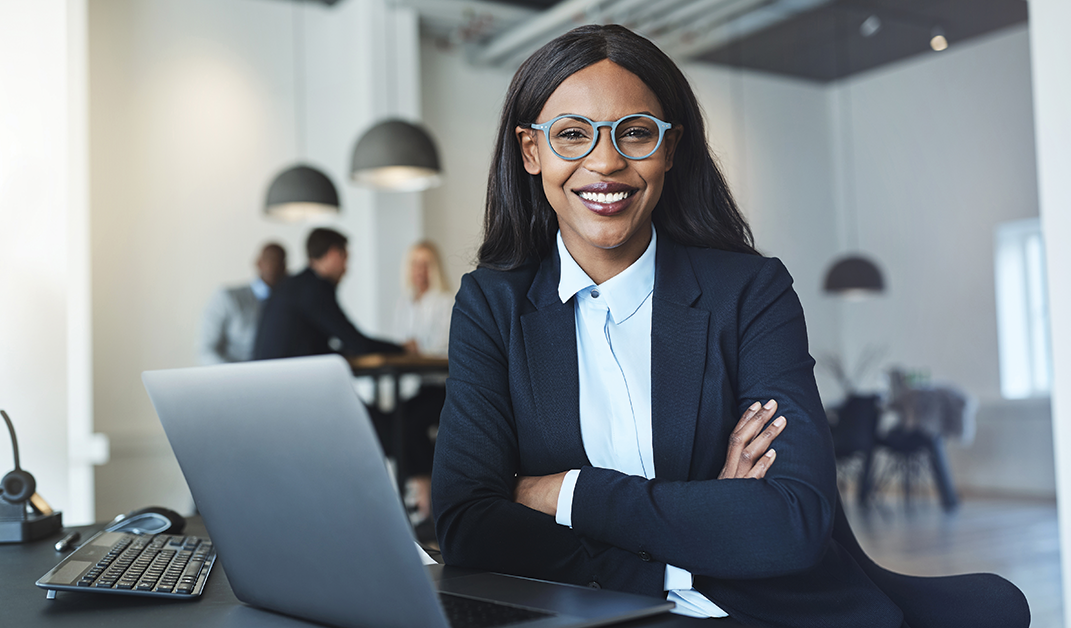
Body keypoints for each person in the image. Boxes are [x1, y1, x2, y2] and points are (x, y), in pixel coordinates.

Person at [431, 24, 1027, 628]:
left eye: (636, 133)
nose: (606, 162)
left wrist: (565, 493)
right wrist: (701, 529)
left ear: (670, 149)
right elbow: (468, 527)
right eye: (571, 135)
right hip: (597, 614)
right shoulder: (493, 306)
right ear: (531, 151)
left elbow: (789, 522)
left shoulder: (751, 293)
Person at [252, 227, 402, 360]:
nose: (346, 269)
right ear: (333, 254)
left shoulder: (293, 285)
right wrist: (403, 349)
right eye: (345, 259)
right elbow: (358, 343)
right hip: (290, 384)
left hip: (274, 380)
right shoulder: (314, 289)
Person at [392, 241, 453, 527]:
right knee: (396, 420)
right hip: (418, 385)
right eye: (415, 263)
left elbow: (446, 348)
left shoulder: (445, 301)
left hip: (443, 387)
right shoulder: (406, 304)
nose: (420, 270)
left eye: (425, 263)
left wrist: (418, 349)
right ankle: (416, 490)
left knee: (411, 422)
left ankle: (425, 494)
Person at [197, 242, 286, 365]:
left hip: (277, 375)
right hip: (233, 376)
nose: (274, 265)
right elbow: (206, 351)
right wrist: (237, 376)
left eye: (280, 262)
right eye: (270, 259)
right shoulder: (227, 298)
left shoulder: (289, 303)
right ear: (258, 263)